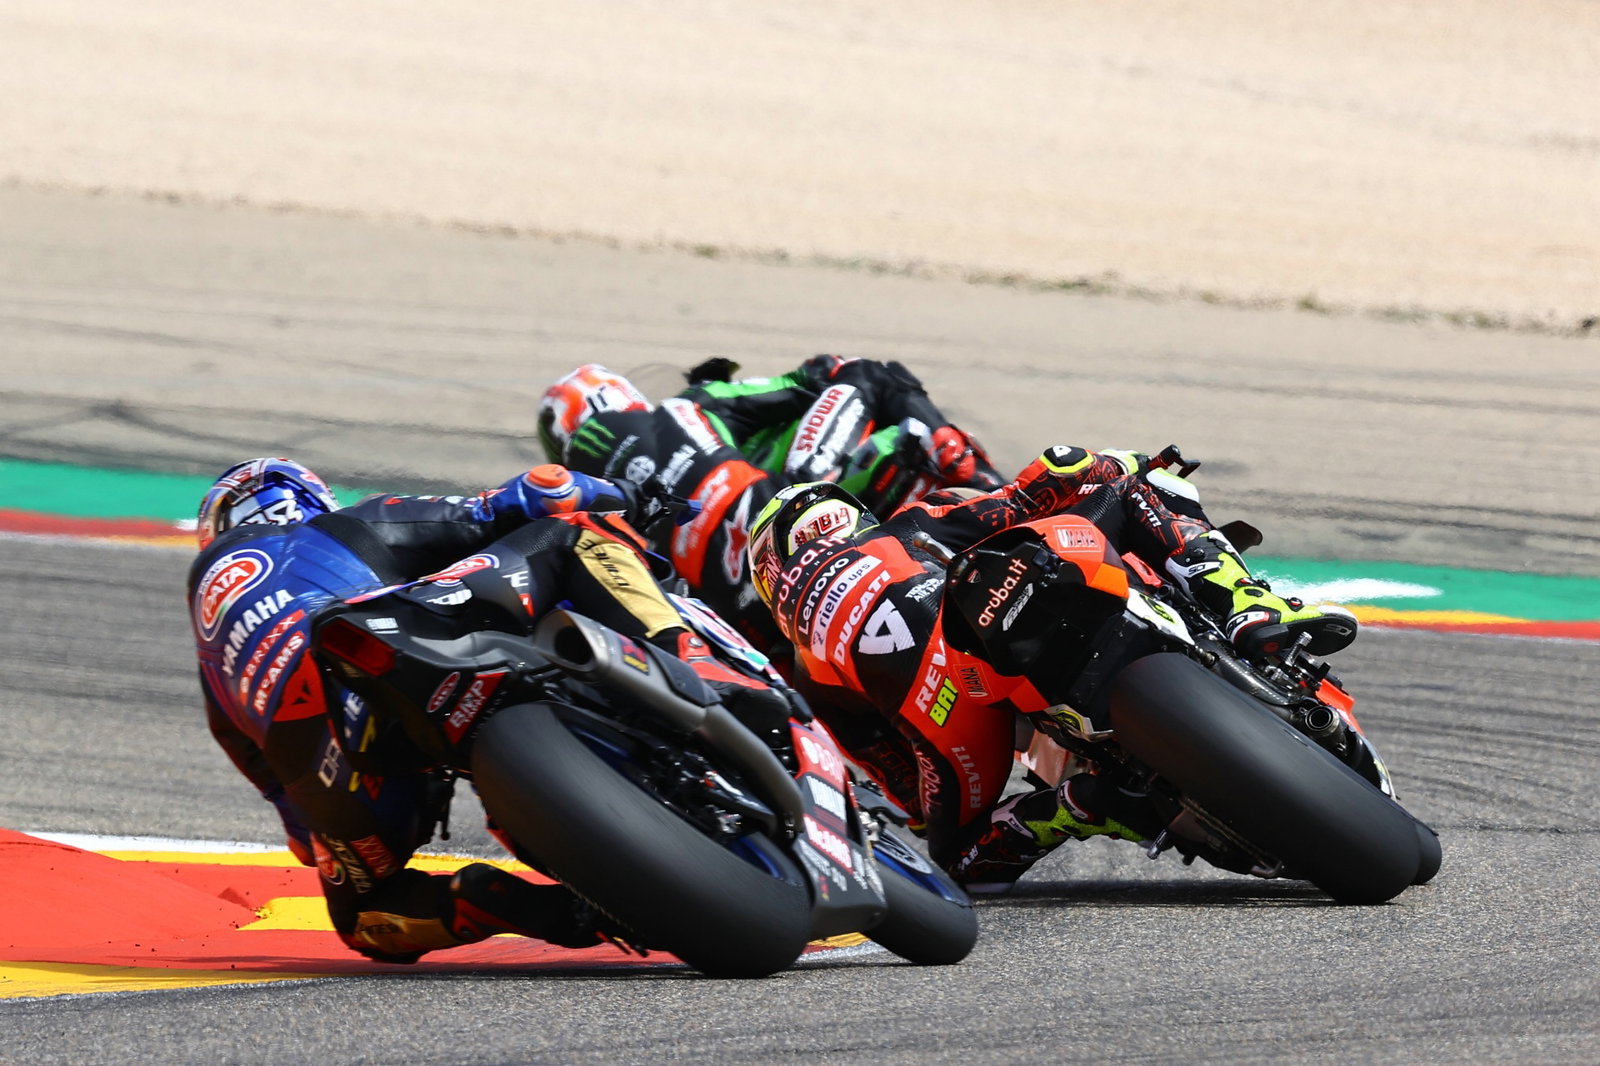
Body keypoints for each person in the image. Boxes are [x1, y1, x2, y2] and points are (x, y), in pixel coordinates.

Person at [189, 457, 783, 963]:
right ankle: (696, 666)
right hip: (388, 639)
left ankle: (520, 907)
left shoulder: (211, 662)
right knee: (569, 533)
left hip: (332, 766)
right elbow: (527, 496)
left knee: (367, 918)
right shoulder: (336, 527)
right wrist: (626, 495)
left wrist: (335, 837)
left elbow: (275, 789)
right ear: (301, 498)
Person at [744, 445, 1359, 893]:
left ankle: (1081, 804)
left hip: (952, 708)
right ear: (846, 516)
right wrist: (1113, 466)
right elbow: (1034, 488)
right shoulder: (907, 527)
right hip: (990, 625)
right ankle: (1250, 610)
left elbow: (903, 792)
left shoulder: (808, 671)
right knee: (1146, 490)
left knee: (959, 863)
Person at [536, 355, 1004, 652]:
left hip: (752, 621)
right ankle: (991, 485)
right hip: (795, 513)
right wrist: (827, 371)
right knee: (869, 375)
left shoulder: (585, 517)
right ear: (618, 396)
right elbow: (807, 381)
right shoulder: (684, 408)